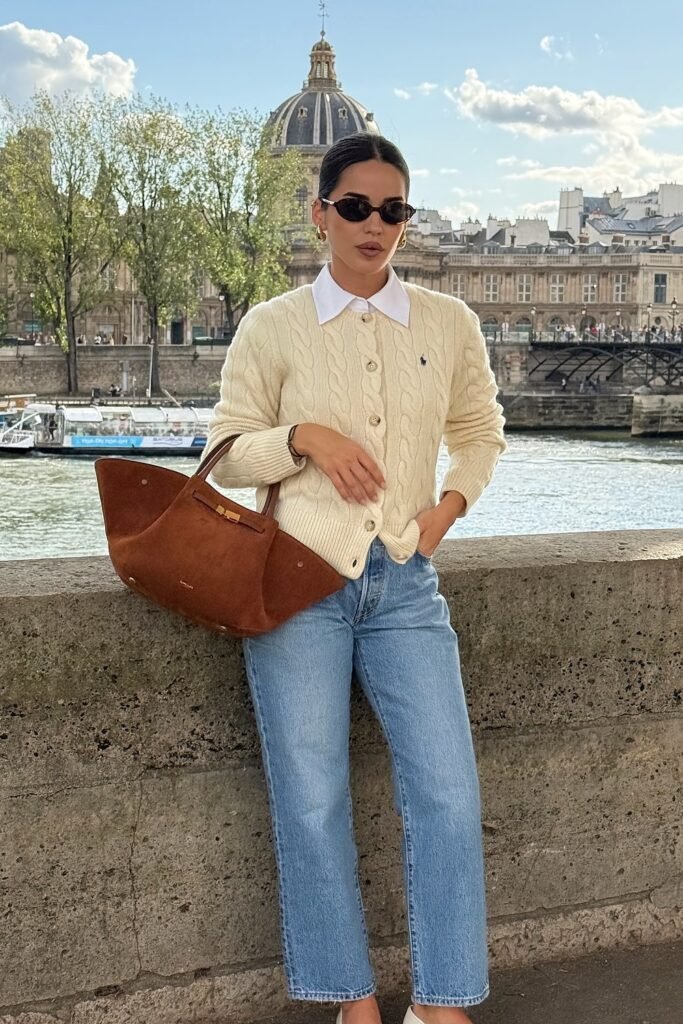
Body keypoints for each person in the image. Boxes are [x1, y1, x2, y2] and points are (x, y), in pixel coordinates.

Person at [203, 133, 507, 1024]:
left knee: (449, 794)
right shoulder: (272, 326)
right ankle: (353, 1004)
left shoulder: (450, 324)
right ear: (320, 213)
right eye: (356, 207)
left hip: (404, 583)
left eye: (394, 209)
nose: (376, 225)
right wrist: (304, 439)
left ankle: (443, 1006)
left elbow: (481, 431)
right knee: (311, 800)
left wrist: (447, 509)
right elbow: (223, 452)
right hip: (297, 584)